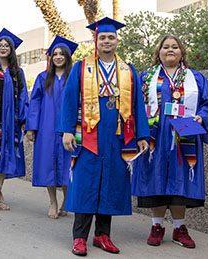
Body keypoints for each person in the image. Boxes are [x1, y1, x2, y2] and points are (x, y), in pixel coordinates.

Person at [57, 17, 150, 256]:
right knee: (86, 184)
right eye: (102, 37)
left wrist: (142, 135)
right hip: (88, 135)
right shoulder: (81, 67)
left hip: (117, 137)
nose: (107, 41)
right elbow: (69, 100)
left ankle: (102, 235)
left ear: (117, 40)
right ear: (95, 40)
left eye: (111, 37)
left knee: (110, 184)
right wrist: (67, 130)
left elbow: (138, 104)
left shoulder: (128, 70)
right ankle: (79, 237)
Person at [132, 35, 208, 249]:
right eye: (165, 47)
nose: (170, 50)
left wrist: (201, 117)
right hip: (156, 138)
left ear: (182, 52)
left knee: (181, 179)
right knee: (156, 176)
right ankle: (157, 226)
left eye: (175, 47)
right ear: (158, 52)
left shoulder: (195, 78)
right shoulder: (146, 78)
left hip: (184, 136)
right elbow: (134, 107)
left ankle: (180, 228)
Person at [25, 36, 78, 219]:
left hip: (68, 127)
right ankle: (53, 202)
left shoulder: (74, 77)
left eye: (61, 54)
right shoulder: (42, 77)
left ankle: (65, 200)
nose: (57, 57)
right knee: (48, 164)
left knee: (67, 165)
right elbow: (34, 103)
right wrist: (31, 128)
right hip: (46, 126)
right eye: (54, 54)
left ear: (67, 56)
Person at [0, 28, 28, 212]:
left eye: (6, 46)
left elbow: (23, 97)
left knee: (5, 156)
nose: (3, 48)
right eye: (0, 45)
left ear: (11, 50)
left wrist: (24, 120)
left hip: (11, 122)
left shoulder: (17, 72)